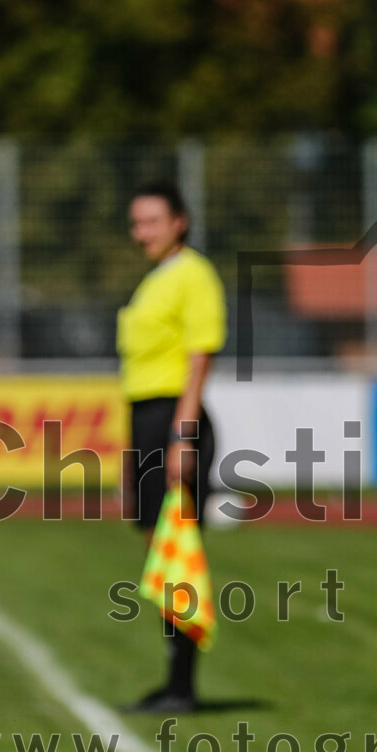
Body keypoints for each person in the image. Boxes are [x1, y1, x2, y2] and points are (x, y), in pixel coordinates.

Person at [118, 180, 226, 713]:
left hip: (173, 420)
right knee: (156, 551)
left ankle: (183, 685)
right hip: (146, 418)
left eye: (152, 222)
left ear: (179, 221)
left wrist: (181, 435)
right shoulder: (155, 278)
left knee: (177, 552)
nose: (142, 233)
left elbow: (199, 355)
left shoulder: (194, 274)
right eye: (136, 223)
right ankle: (173, 678)